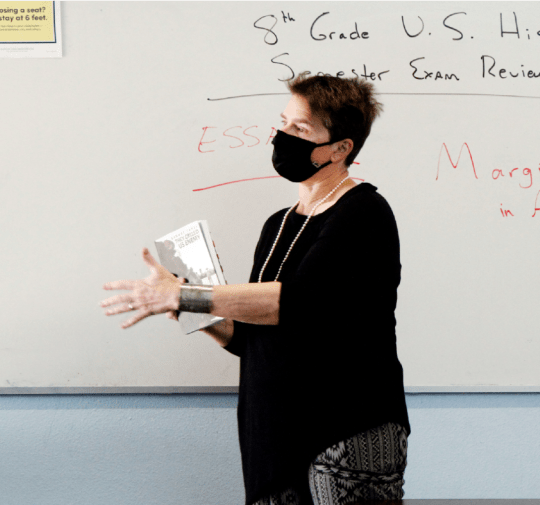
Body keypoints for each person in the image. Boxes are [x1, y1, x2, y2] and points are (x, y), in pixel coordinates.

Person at [100, 74, 411, 505]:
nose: (284, 137)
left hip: (343, 429)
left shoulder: (363, 213)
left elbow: (295, 303)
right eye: (284, 123)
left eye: (300, 130)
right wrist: (190, 309)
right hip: (273, 435)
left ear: (341, 149)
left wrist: (184, 295)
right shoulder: (278, 223)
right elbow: (250, 338)